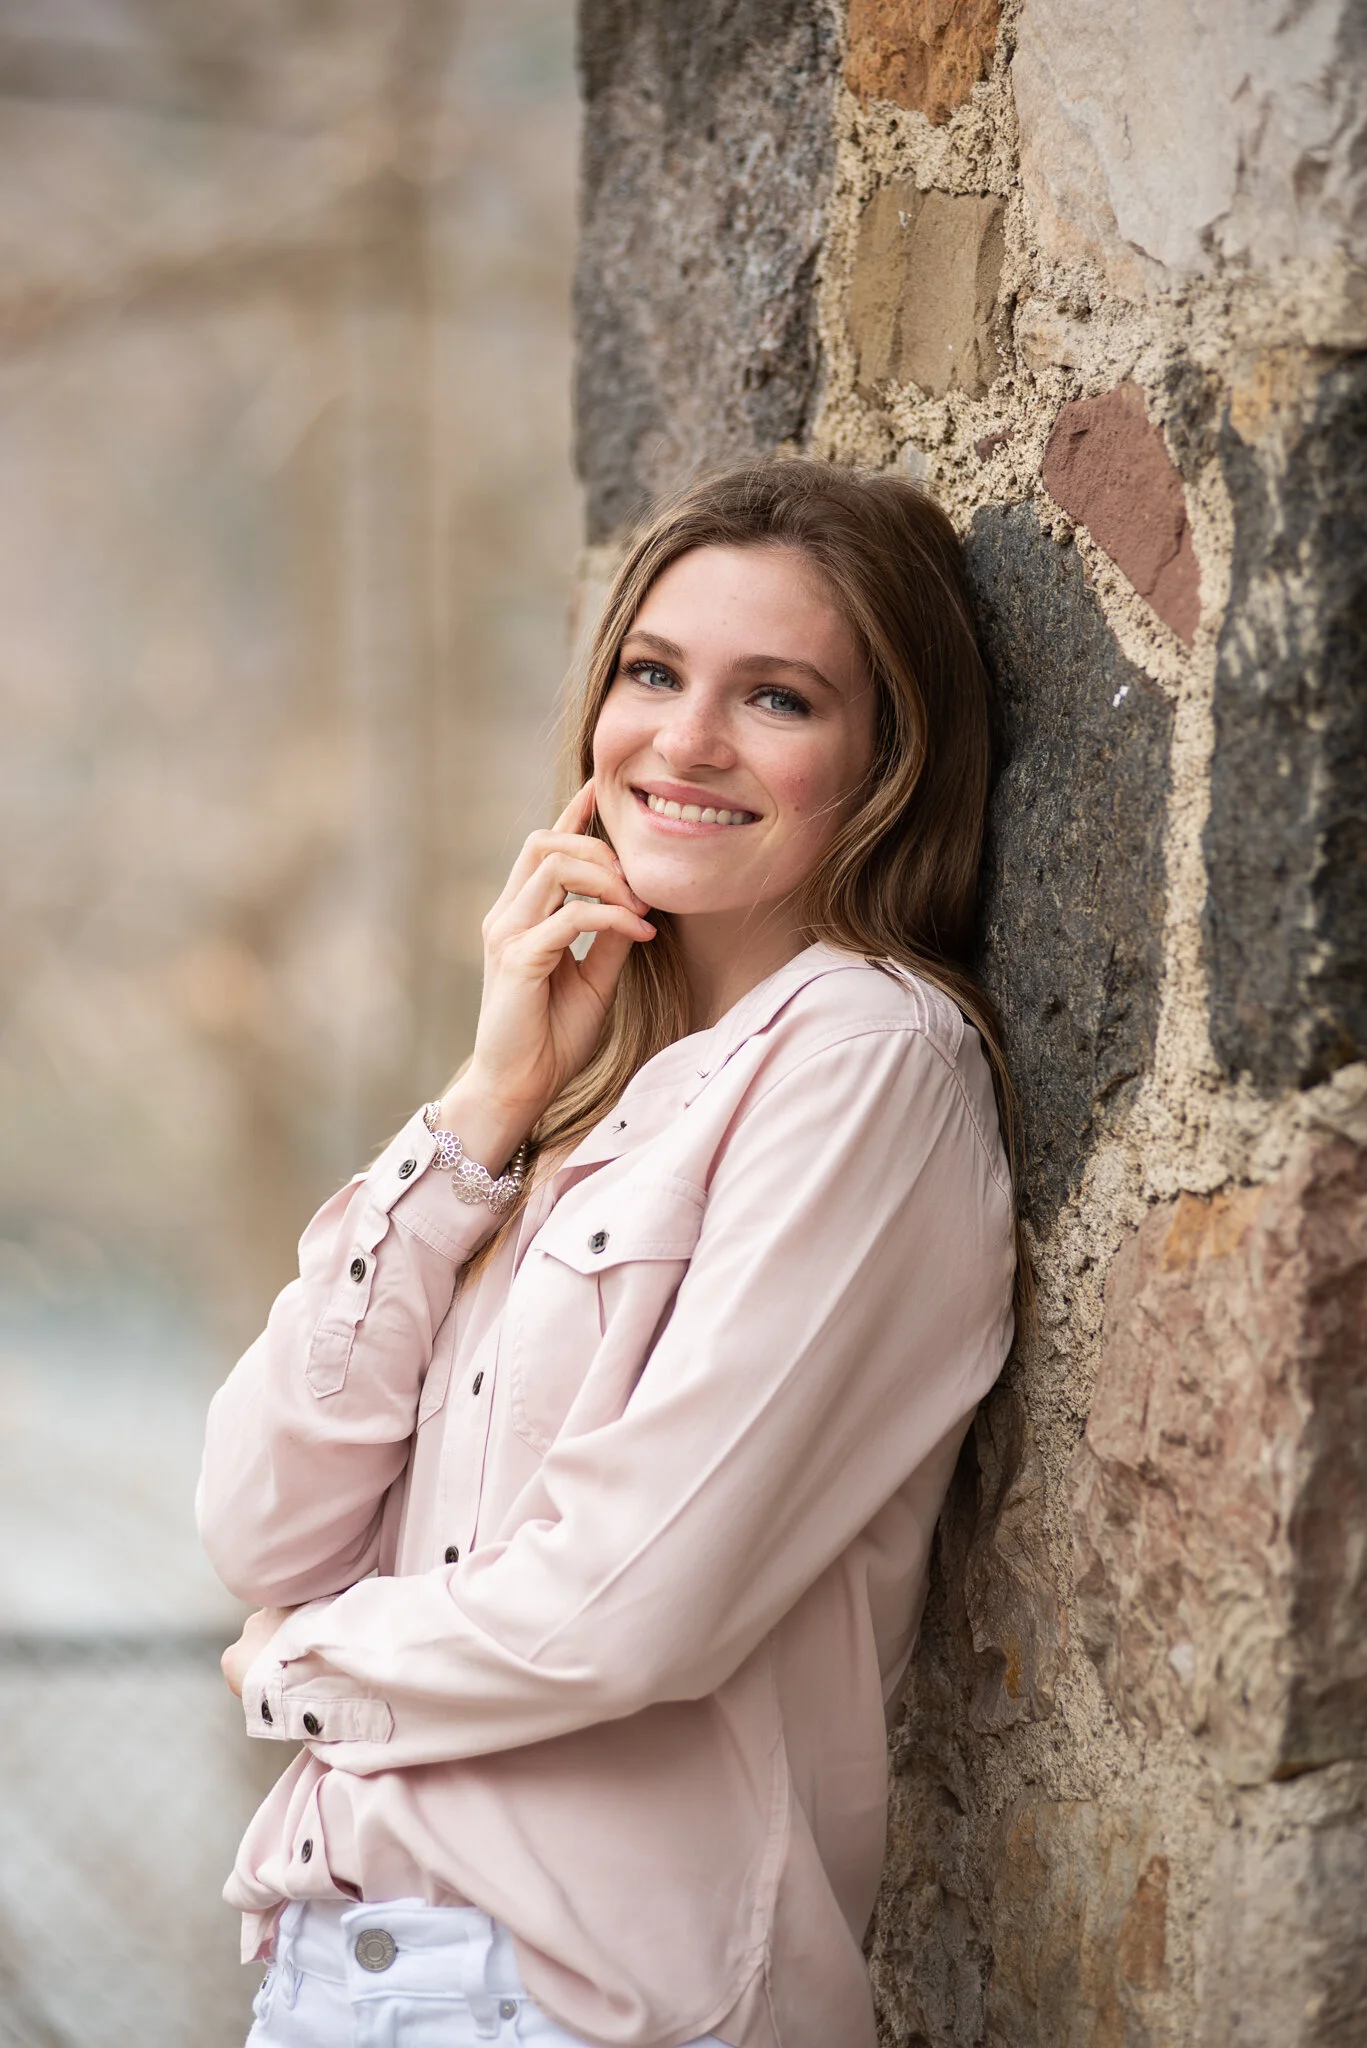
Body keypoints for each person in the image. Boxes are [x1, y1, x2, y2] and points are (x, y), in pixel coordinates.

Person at [198, 458, 1021, 2048]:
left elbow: (631, 1604)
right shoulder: (573, 1097)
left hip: (573, 2004)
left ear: (889, 760)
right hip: (338, 1976)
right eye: (653, 675)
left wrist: (290, 1670)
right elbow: (259, 1518)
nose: (686, 741)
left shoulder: (864, 1060)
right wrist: (482, 1104)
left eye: (775, 698)